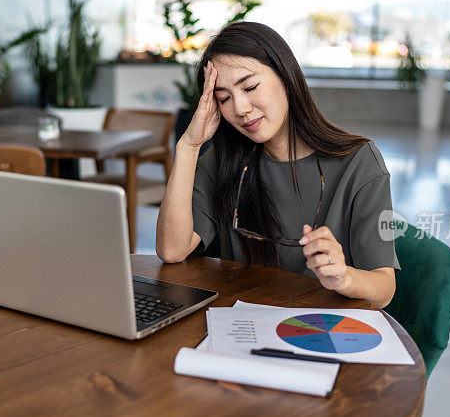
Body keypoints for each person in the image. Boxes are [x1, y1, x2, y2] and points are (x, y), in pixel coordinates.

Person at [156, 22, 398, 308]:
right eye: (224, 98)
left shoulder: (358, 161)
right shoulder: (224, 159)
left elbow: (384, 288)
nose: (240, 108)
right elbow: (171, 250)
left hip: (319, 330)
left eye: (250, 87)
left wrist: (344, 277)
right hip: (241, 329)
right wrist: (188, 147)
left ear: (285, 75)